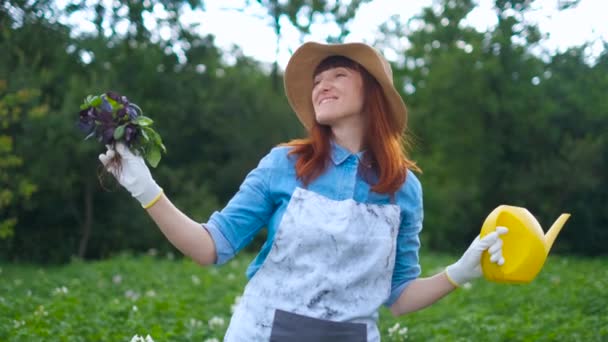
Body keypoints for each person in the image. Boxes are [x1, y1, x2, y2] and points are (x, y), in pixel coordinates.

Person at [99, 42, 508, 341]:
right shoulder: (284, 164)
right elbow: (210, 247)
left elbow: (398, 296)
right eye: (317, 81)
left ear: (372, 93)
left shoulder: (404, 189)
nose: (321, 86)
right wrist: (145, 188)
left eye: (338, 76)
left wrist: (461, 272)